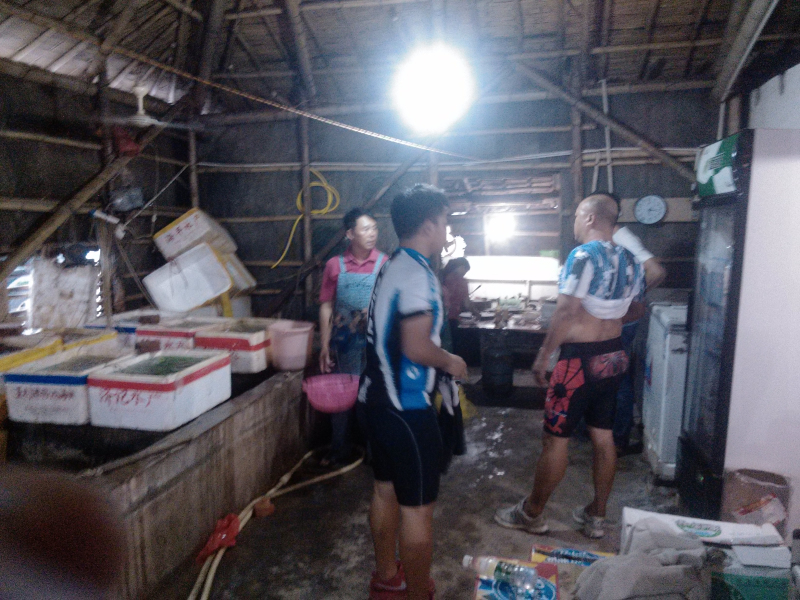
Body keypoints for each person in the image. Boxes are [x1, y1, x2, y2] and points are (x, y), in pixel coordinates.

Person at [494, 193, 645, 540]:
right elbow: (637, 309)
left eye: (577, 215)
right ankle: (596, 516)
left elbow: (564, 312)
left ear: (590, 218)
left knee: (555, 440)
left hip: (578, 361)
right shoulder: (631, 260)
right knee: (603, 437)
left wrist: (544, 354)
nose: (574, 222)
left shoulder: (582, 256)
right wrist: (609, 319)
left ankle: (531, 514)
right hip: (613, 357)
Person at [359, 184, 468, 600]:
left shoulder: (392, 264)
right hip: (406, 410)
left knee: (384, 490)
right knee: (417, 510)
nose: (447, 229)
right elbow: (417, 347)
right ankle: (419, 593)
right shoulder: (419, 274)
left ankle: (388, 577)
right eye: (445, 221)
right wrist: (451, 361)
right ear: (428, 225)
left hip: (376, 402)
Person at [318, 207, 387, 465]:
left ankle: (375, 452)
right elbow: (326, 305)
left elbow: (392, 304)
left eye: (374, 228)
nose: (372, 234)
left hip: (376, 344)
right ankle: (339, 449)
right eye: (365, 229)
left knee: (374, 399)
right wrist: (324, 344)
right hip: (344, 343)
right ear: (350, 234)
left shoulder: (384, 263)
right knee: (342, 398)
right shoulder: (334, 265)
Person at [610, 219, 666, 456]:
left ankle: (618, 439)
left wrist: (631, 301)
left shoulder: (622, 237)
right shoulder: (613, 239)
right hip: (617, 320)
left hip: (621, 324)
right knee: (610, 377)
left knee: (617, 379)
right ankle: (611, 435)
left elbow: (657, 271)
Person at [440, 257, 472, 355]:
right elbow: (466, 303)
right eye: (465, 270)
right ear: (461, 267)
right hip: (452, 318)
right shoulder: (461, 281)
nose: (465, 273)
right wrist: (476, 313)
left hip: (439, 317)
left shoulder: (441, 277)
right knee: (454, 345)